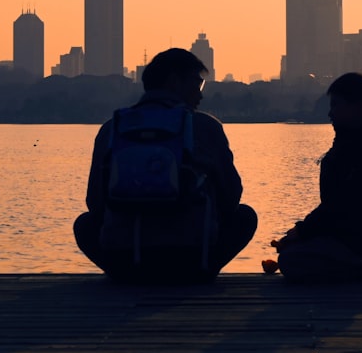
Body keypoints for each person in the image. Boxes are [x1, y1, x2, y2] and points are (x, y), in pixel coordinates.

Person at [74, 48, 257, 283]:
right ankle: (201, 273)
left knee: (84, 223)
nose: (200, 96)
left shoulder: (113, 128)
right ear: (174, 81)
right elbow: (231, 199)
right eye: (197, 84)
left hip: (126, 261)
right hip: (191, 259)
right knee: (245, 216)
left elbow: (95, 203)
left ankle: (127, 277)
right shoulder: (204, 126)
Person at [272, 72, 362, 282]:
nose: (330, 113)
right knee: (298, 249)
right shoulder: (359, 146)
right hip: (358, 237)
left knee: (290, 260)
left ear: (358, 108)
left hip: (360, 239)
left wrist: (301, 231)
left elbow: (339, 208)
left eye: (336, 105)